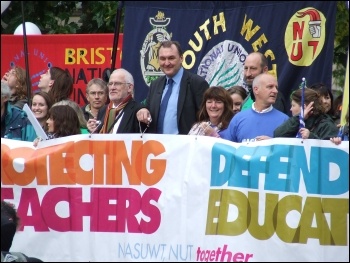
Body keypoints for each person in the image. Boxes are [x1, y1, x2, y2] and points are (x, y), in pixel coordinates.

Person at [136, 40, 209, 134]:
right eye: (162, 58)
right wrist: (143, 109)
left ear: (181, 58)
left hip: (186, 146)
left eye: (171, 58)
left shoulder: (197, 83)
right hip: (157, 145)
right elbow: (148, 107)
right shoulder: (155, 84)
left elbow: (205, 118)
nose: (166, 63)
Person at [221, 73, 289, 142]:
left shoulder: (284, 120)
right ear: (256, 90)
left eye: (276, 87)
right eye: (270, 87)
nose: (275, 91)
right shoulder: (238, 119)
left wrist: (273, 143)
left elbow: (290, 150)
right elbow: (227, 149)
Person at [86, 68, 145, 134]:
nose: (112, 88)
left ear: (129, 88)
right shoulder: (103, 110)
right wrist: (94, 131)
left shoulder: (138, 110)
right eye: (110, 84)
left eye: (117, 84)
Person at [274, 88, 339, 140]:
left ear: (304, 107)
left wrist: (310, 137)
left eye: (293, 105)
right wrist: (299, 118)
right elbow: (277, 135)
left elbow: (328, 151)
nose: (291, 109)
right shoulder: (295, 122)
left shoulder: (327, 125)